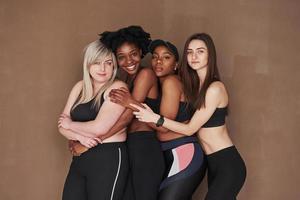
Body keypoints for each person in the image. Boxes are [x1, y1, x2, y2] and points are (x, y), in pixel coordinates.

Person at [131, 33, 247, 200]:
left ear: (210, 55)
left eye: (200, 51)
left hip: (227, 162)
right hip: (212, 163)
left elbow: (190, 128)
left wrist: (154, 118)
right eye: (190, 52)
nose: (194, 56)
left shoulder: (214, 88)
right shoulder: (194, 88)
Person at [71, 26, 165, 200]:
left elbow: (126, 118)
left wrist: (90, 143)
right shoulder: (122, 80)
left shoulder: (145, 74)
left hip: (144, 149)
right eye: (121, 57)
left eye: (133, 54)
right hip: (129, 147)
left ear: (142, 52)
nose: (129, 60)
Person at [111, 39, 206, 200]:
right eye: (155, 57)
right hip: (170, 153)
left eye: (166, 57)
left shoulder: (171, 82)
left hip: (182, 153)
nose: (158, 61)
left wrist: (131, 103)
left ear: (176, 64)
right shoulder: (162, 85)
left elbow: (162, 126)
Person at [58, 39, 129, 200]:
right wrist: (79, 137)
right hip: (80, 157)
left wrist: (71, 125)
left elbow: (99, 128)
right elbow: (60, 127)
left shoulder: (117, 88)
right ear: (88, 65)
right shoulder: (80, 87)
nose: (102, 68)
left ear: (114, 66)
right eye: (97, 63)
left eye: (108, 63)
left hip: (108, 158)